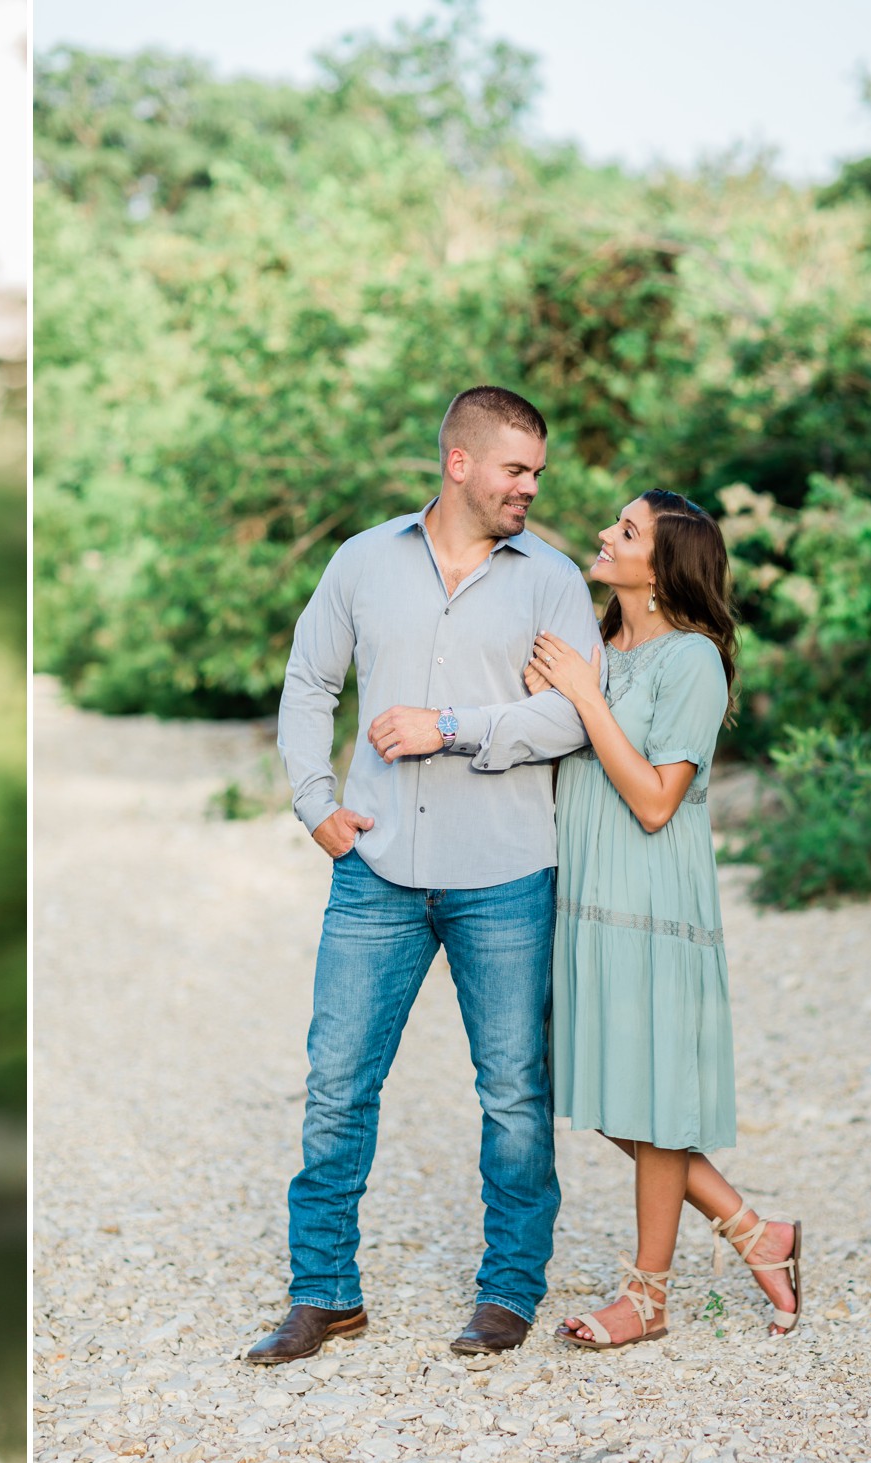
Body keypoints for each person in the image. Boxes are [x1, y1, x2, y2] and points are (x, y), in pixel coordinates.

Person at [256, 386, 602, 1364]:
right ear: (458, 463)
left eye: (535, 471)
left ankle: (507, 1290)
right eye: (515, 469)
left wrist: (450, 728)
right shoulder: (364, 561)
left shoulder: (549, 580)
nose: (529, 487)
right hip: (376, 871)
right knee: (335, 1083)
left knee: (510, 1092)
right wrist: (313, 801)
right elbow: (308, 682)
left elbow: (573, 716)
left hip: (504, 874)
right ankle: (323, 1292)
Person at [522, 489, 801, 1348]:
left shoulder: (693, 661)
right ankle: (757, 1231)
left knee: (646, 1094)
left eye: (628, 531)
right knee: (595, 1082)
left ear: (665, 564)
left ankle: (648, 1297)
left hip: (650, 902)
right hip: (581, 898)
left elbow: (654, 801)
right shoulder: (599, 644)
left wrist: (583, 696)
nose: (607, 533)